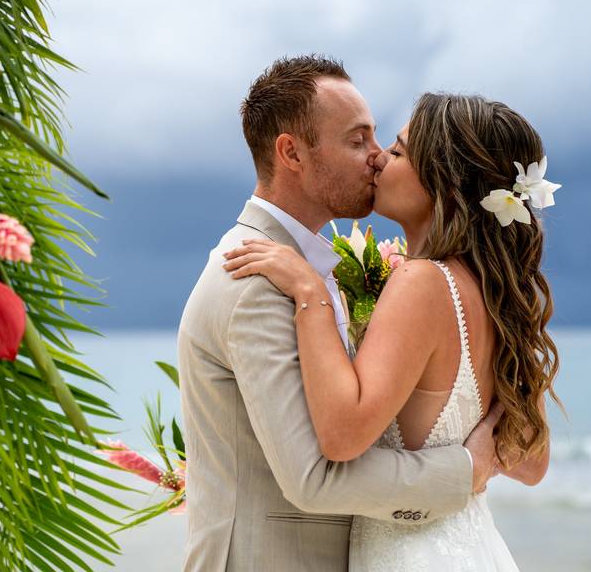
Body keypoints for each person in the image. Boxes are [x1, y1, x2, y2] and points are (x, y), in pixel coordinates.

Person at [178, 56, 503, 572]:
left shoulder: (312, 268)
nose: (377, 158)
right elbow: (313, 477)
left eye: (379, 141)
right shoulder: (255, 279)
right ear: (292, 153)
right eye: (358, 141)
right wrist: (466, 471)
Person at [222, 92, 561, 570]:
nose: (379, 157)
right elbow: (532, 463)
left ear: (443, 184)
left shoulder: (422, 281)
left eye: (399, 152)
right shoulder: (498, 295)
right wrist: (471, 460)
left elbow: (342, 437)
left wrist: (310, 293)